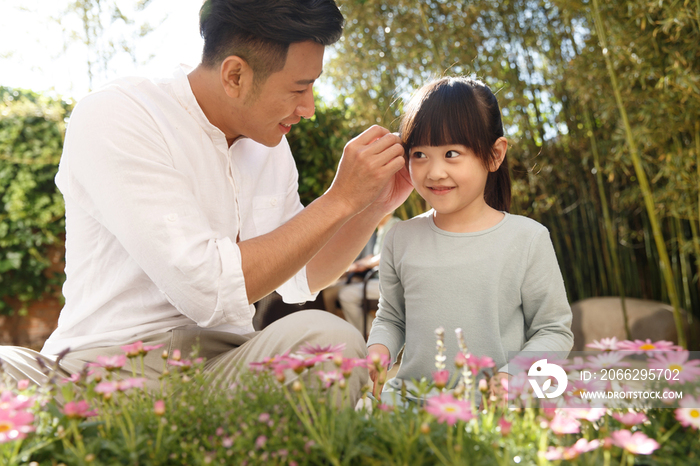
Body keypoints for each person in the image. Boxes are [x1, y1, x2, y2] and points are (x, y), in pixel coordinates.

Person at [0, 0, 414, 406]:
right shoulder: (119, 114)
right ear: (235, 75)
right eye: (299, 88)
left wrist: (371, 205)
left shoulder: (270, 145)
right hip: (98, 369)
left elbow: (302, 275)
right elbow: (207, 289)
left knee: (332, 344)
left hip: (222, 367)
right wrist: (338, 199)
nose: (308, 109)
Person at [366, 77, 573, 401]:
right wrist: (378, 350)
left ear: (494, 155)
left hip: (495, 413)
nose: (434, 172)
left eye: (451, 153)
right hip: (412, 408)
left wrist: (511, 378)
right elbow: (392, 318)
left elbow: (554, 332)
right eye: (419, 154)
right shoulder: (400, 238)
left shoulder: (527, 239)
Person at [338, 212, 400, 335]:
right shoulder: (381, 228)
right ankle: (375, 333)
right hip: (378, 280)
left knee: (346, 295)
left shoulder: (395, 225)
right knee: (345, 289)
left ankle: (374, 334)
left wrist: (367, 264)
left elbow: (385, 255)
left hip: (390, 283)